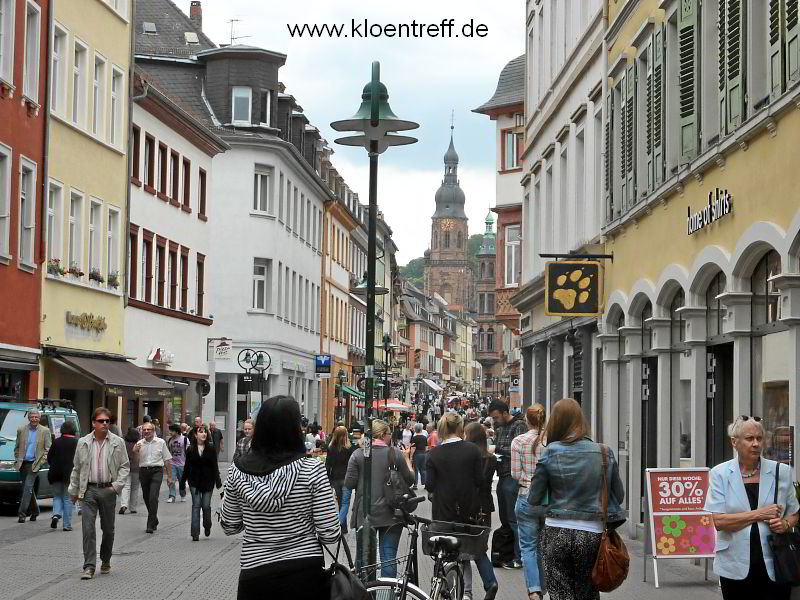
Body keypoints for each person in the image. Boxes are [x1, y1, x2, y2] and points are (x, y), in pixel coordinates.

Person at [221, 396, 340, 599]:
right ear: (295, 429)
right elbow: (330, 533)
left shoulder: (236, 471)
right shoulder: (312, 470)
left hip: (255, 573)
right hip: (305, 573)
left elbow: (229, 526)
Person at [528, 398, 626, 600]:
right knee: (588, 591)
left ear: (555, 422)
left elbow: (534, 497)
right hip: (592, 533)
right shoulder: (604, 452)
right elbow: (619, 495)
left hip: (556, 530)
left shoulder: (550, 452)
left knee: (560, 592)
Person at [705, 415, 800, 600]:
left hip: (776, 562)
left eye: (759, 438)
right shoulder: (720, 474)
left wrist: (785, 525)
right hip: (734, 563)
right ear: (734, 442)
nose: (756, 444)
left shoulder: (781, 471)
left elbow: (794, 512)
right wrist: (759, 514)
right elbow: (719, 522)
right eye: (749, 439)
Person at [427, 412, 499, 600]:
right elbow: (479, 480)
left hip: (443, 511)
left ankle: (450, 591)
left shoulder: (434, 453)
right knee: (474, 548)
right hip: (469, 510)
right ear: (460, 427)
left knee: (446, 553)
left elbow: (429, 485)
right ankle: (483, 585)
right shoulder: (472, 450)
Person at [345, 419, 414, 578]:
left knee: (364, 560)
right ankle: (386, 595)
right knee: (388, 558)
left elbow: (349, 483)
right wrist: (408, 460)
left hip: (365, 512)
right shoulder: (395, 453)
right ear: (383, 435)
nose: (391, 437)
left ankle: (365, 592)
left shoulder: (358, 454)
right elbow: (409, 480)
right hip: (392, 513)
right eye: (389, 433)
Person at [69, 407, 130, 579]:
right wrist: (74, 491)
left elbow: (125, 466)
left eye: (107, 421)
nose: (105, 424)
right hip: (89, 490)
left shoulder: (118, 442)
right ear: (93, 423)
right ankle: (89, 566)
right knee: (88, 529)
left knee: (108, 530)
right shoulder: (83, 442)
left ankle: (105, 559)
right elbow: (77, 468)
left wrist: (116, 487)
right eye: (101, 421)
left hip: (108, 490)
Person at [512, 404, 547, 600]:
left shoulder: (518, 441)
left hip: (526, 496)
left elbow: (516, 474)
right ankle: (544, 586)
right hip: (548, 501)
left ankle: (534, 590)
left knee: (528, 547)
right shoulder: (551, 441)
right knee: (543, 545)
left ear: (527, 420)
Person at [488, 399, 527, 568]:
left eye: (496, 418)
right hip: (502, 475)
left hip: (513, 477)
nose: (494, 421)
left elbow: (518, 451)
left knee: (513, 519)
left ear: (505, 413)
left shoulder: (519, 426)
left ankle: (519, 558)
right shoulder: (500, 427)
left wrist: (495, 449)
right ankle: (508, 553)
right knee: (505, 519)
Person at [182, 423, 222, 541]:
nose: (203, 434)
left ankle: (207, 525)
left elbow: (215, 465)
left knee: (205, 505)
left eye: (205, 432)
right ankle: (195, 532)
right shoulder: (190, 449)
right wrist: (182, 482)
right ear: (195, 435)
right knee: (196, 505)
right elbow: (186, 466)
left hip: (208, 481)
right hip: (194, 481)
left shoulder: (211, 448)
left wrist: (218, 481)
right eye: (200, 432)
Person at [134, 420, 173, 534]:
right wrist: (135, 451)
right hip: (144, 471)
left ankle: (150, 524)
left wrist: (170, 477)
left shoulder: (160, 442)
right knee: (146, 497)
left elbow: (167, 459)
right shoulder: (140, 443)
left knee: (153, 497)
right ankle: (154, 518)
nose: (146, 431)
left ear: (153, 431)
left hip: (157, 471)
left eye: (149, 429)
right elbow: (137, 462)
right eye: (144, 430)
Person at [14, 408, 52, 523]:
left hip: (35, 464)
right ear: (29, 418)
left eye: (36, 417)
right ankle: (35, 511)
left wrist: (42, 461)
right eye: (32, 417)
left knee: (27, 488)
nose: (34, 419)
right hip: (23, 463)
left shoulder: (45, 431)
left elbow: (48, 449)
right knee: (28, 489)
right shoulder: (21, 430)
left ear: (39, 418)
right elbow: (16, 447)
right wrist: (17, 457)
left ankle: (22, 514)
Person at [47, 420, 79, 531]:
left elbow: (49, 457)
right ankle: (67, 525)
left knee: (56, 496)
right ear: (74, 429)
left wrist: (54, 466)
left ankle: (56, 514)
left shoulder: (56, 441)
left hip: (55, 474)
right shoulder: (76, 442)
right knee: (67, 499)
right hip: (69, 475)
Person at [120, 427, 140, 514]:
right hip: (137, 468)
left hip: (126, 467)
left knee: (126, 487)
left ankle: (124, 505)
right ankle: (133, 507)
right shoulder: (138, 444)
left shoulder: (124, 443)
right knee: (135, 488)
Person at [166, 424, 188, 503]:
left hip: (182, 464)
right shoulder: (169, 440)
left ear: (177, 431)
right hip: (172, 463)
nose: (170, 432)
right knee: (171, 480)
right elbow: (168, 451)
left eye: (172, 431)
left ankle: (182, 494)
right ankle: (172, 496)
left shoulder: (184, 439)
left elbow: (188, 451)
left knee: (182, 481)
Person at [410, 423, 428, 489]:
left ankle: (415, 485)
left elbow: (413, 448)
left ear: (415, 429)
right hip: (424, 454)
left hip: (417, 454)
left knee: (416, 469)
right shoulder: (424, 437)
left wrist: (411, 456)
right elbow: (426, 448)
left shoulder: (414, 438)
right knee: (423, 469)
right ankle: (425, 484)